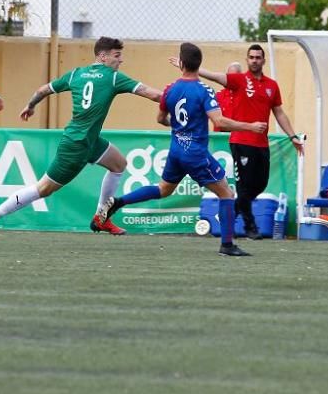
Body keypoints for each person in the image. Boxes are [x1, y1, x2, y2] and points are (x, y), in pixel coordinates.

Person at [0, 36, 162, 246]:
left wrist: (31, 105)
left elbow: (42, 90)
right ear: (103, 56)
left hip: (89, 140)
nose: (121, 60)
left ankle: (101, 217)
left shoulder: (75, 74)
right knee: (43, 189)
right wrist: (179, 96)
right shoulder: (113, 77)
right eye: (117, 56)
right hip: (76, 146)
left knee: (119, 164)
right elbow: (152, 95)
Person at [99, 43, 267, 256]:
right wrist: (250, 126)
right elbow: (220, 122)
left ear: (182, 65)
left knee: (163, 189)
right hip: (195, 154)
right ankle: (227, 245)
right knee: (227, 193)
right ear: (199, 64)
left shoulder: (170, 89)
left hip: (176, 151)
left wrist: (179, 127)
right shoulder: (204, 90)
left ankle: (119, 201)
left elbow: (160, 119)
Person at [179, 44, 303, 238]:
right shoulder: (239, 80)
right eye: (251, 57)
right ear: (247, 60)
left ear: (263, 60)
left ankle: (230, 213)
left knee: (260, 185)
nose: (254, 60)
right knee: (244, 186)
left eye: (258, 57)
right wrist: (190, 68)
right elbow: (215, 76)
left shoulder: (272, 85)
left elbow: (279, 112)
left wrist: (292, 136)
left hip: (262, 143)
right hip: (241, 140)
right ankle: (250, 225)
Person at [212, 61, 243, 129]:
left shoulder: (245, 96)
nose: (231, 79)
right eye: (229, 76)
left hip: (239, 136)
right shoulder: (219, 95)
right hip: (221, 137)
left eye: (234, 77)